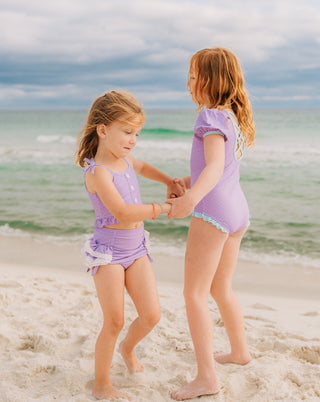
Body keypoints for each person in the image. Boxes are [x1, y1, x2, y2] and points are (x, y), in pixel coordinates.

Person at [75, 90, 184, 401]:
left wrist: (168, 180)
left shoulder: (125, 158)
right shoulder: (98, 172)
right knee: (115, 320)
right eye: (127, 131)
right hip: (108, 253)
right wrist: (164, 207)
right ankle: (102, 385)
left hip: (136, 249)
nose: (133, 139)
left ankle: (127, 348)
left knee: (151, 315)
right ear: (103, 129)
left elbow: (144, 166)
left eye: (137, 133)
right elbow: (122, 212)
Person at [167, 47, 255, 400]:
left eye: (192, 75)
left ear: (209, 80)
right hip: (237, 211)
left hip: (213, 211)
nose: (187, 82)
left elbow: (216, 168)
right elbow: (217, 167)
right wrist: (190, 180)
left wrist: (191, 199)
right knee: (221, 289)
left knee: (194, 294)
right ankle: (239, 352)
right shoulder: (231, 117)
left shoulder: (209, 116)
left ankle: (207, 377)